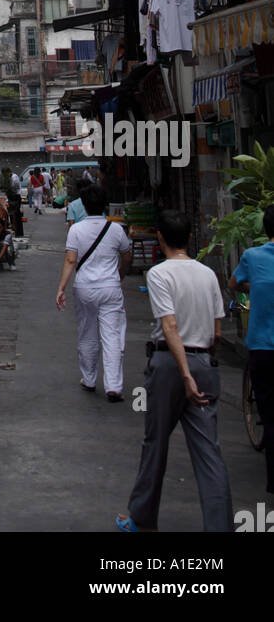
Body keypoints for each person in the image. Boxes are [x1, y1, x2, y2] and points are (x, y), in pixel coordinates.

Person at [116, 210, 234, 533]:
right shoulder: (207, 274)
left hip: (171, 365)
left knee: (155, 444)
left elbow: (169, 326)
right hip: (204, 362)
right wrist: (201, 366)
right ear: (191, 239)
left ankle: (142, 519)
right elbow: (218, 331)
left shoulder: (159, 274)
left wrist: (185, 374)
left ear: (160, 238)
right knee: (209, 451)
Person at [56, 183, 131, 401]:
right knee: (112, 335)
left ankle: (89, 379)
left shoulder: (76, 230)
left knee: (87, 332)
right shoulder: (116, 229)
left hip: (85, 288)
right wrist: (120, 275)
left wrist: (61, 287)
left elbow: (71, 260)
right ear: (104, 205)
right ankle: (114, 386)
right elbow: (126, 256)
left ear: (85, 206)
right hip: (110, 287)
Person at [229, 203, 274, 496]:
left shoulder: (253, 256)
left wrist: (253, 286)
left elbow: (234, 283)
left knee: (270, 415)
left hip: (263, 347)